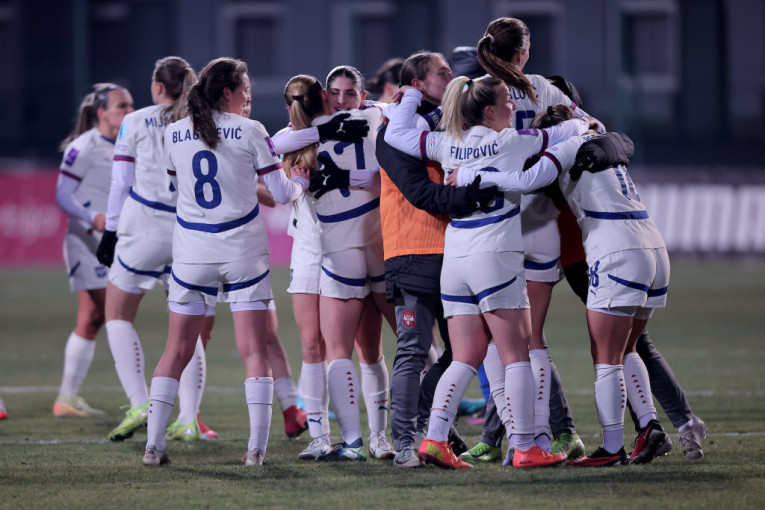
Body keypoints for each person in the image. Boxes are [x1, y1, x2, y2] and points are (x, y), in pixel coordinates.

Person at [385, 75, 588, 469]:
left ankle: (435, 440)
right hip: (495, 255)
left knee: (464, 357)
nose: (514, 107)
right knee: (516, 355)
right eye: (508, 102)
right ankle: (525, 446)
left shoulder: (445, 142)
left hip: (455, 257)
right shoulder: (512, 141)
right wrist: (584, 126)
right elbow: (562, 135)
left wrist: (409, 98)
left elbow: (396, 134)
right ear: (490, 111)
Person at [476, 104, 669, 466]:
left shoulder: (569, 145)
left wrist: (479, 175)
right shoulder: (602, 140)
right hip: (653, 245)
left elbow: (528, 180)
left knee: (606, 356)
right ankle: (649, 427)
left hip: (616, 247)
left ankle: (612, 448)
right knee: (628, 347)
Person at [141, 57, 308, 467]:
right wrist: (302, 181)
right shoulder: (251, 130)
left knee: (176, 349)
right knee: (254, 350)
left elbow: (177, 185)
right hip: (241, 250)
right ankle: (256, 450)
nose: (248, 96)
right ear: (227, 92)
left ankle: (153, 446)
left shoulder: (175, 131)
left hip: (192, 252)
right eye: (244, 89)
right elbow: (281, 194)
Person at [467, 17, 606, 461]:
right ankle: (540, 441)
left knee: (496, 340)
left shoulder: (478, 93)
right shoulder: (543, 88)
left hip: (495, 222)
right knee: (532, 339)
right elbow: (595, 128)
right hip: (542, 220)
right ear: (523, 53)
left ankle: (517, 437)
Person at [92, 56, 217, 442]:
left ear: (157, 87)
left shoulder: (134, 120)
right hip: (188, 232)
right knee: (188, 328)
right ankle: (189, 419)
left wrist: (110, 232)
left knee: (117, 315)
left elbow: (120, 182)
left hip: (143, 229)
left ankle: (138, 403)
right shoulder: (203, 121)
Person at [279, 67, 396, 462]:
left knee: (366, 346)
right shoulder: (303, 134)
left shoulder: (364, 120)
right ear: (323, 97)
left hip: (345, 244)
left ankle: (377, 437)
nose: (341, 99)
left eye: (349, 93)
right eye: (333, 92)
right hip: (313, 248)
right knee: (315, 345)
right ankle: (323, 437)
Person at [53, 83, 135, 417]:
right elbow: (62, 195)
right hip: (86, 241)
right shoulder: (84, 146)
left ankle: (66, 399)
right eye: (121, 106)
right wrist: (92, 217)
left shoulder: (130, 142)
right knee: (116, 315)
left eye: (130, 105)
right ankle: (140, 400)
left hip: (112, 239)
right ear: (102, 113)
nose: (129, 111)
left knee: (94, 317)